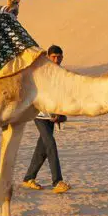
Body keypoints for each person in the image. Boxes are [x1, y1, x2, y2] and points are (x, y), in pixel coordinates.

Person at [22, 45, 72, 194]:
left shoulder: (62, 74)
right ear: (49, 57)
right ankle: (58, 181)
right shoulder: (41, 72)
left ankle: (28, 178)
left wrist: (61, 115)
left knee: (42, 148)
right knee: (50, 143)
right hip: (39, 114)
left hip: (52, 116)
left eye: (59, 57)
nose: (56, 59)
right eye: (54, 57)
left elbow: (62, 97)